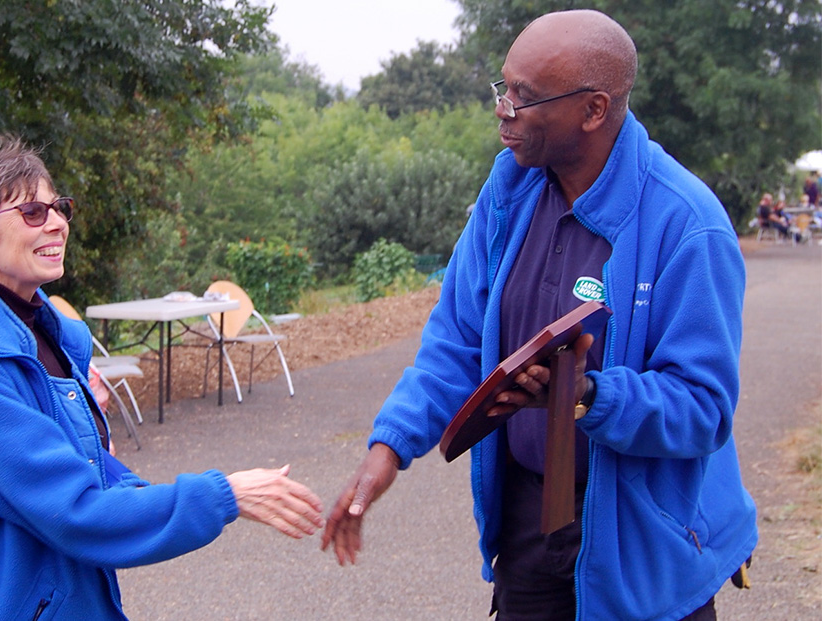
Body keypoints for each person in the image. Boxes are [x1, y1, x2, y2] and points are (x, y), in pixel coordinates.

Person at [322, 10, 756, 621]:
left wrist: (586, 396)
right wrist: (387, 450)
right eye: (503, 88)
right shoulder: (508, 194)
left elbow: (704, 409)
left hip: (643, 535)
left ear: (594, 110)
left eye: (525, 98)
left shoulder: (688, 226)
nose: (503, 110)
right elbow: (456, 339)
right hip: (529, 528)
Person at [0, 135, 324, 620]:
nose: (57, 223)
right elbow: (78, 514)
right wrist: (225, 494)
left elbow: (87, 470)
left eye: (59, 208)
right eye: (32, 212)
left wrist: (136, 491)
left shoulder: (41, 328)